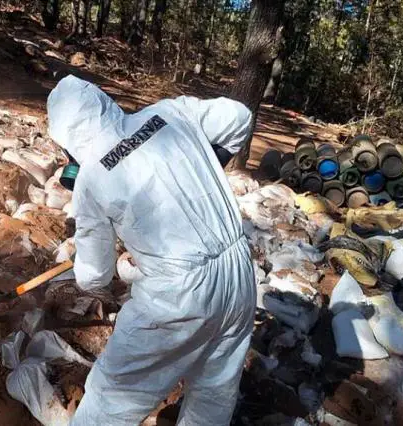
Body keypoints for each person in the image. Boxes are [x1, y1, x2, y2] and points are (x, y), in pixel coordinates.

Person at [47, 75, 256, 425]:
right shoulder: (170, 113)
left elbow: (93, 275)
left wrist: (94, 264)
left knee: (111, 397)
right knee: (213, 392)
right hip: (239, 275)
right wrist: (203, 165)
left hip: (178, 296)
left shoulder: (90, 178)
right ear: (104, 103)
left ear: (67, 137)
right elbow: (239, 117)